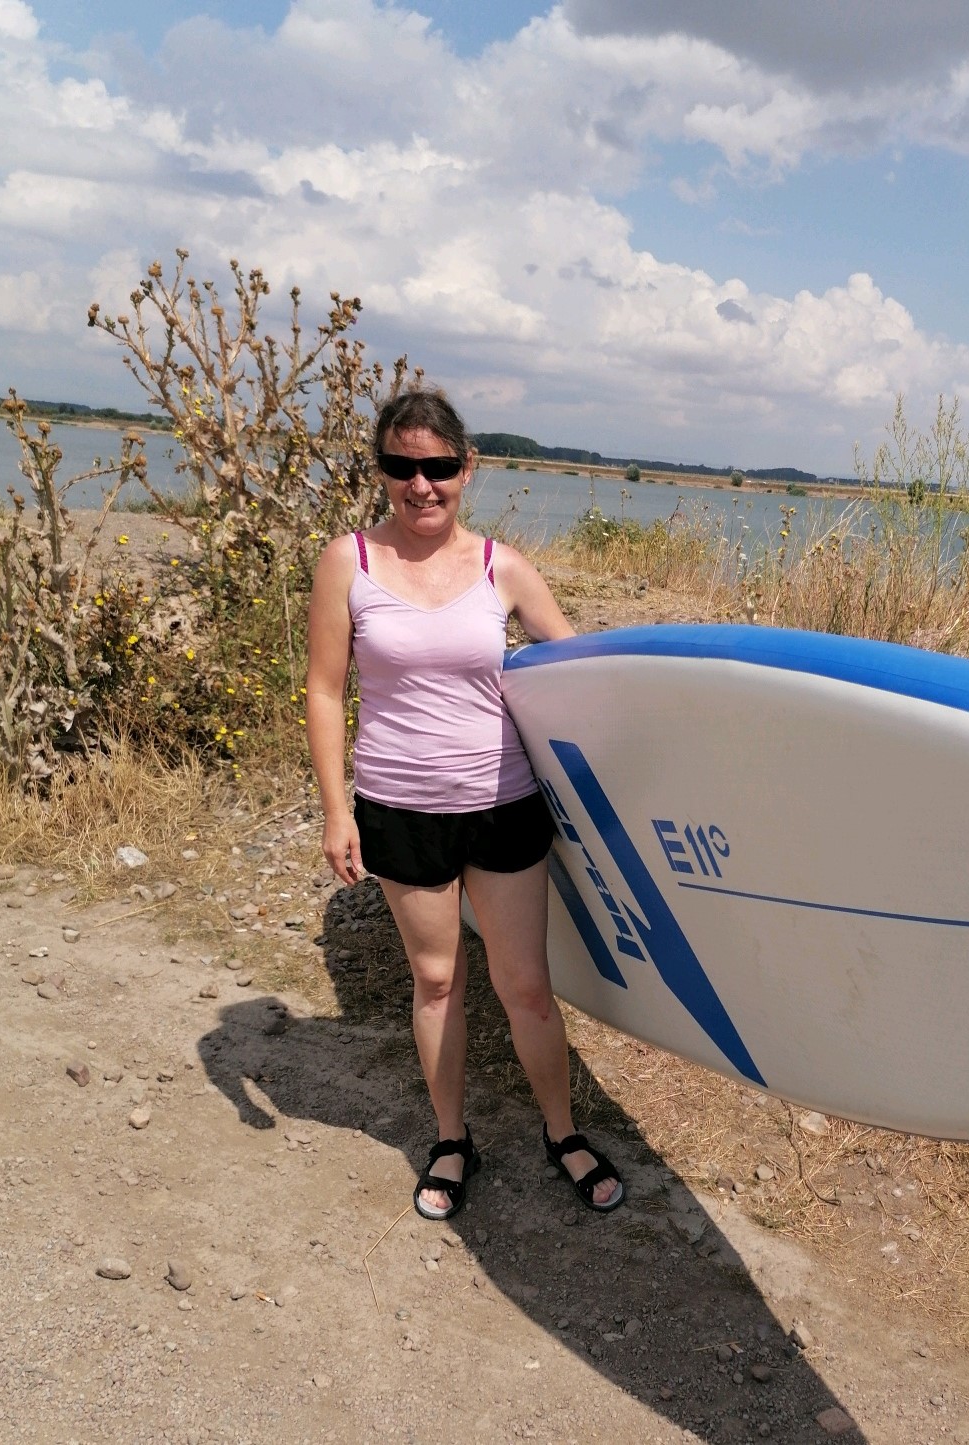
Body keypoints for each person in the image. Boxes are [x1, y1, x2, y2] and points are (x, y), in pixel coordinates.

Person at [306, 384, 623, 1220]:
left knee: (525, 985)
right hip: (398, 807)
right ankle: (453, 1139)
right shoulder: (350, 561)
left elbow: (583, 668)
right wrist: (338, 811)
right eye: (402, 467)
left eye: (439, 467)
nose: (422, 485)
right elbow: (325, 688)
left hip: (502, 803)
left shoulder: (503, 567)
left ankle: (563, 1132)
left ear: (465, 468)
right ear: (381, 471)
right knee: (438, 980)